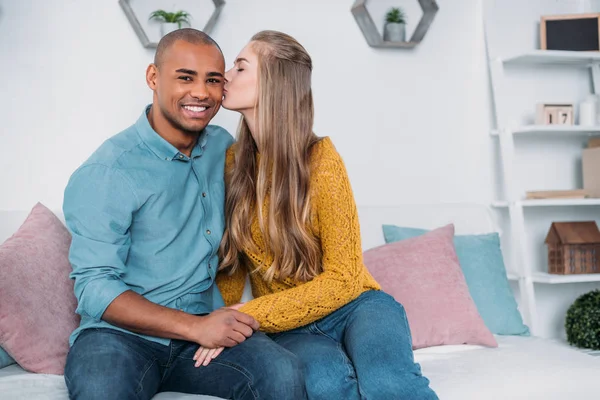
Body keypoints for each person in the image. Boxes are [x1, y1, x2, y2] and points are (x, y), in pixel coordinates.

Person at [62, 28, 306, 400]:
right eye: (185, 77)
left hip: (201, 335)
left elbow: (281, 184)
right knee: (101, 392)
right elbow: (95, 288)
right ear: (153, 78)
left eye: (213, 80)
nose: (200, 92)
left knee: (281, 372)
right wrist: (195, 328)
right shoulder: (108, 172)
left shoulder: (223, 149)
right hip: (119, 339)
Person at [194, 30, 439, 400]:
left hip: (356, 307)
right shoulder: (233, 163)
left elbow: (344, 278)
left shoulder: (321, 160)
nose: (225, 75)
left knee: (387, 383)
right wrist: (226, 323)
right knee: (324, 385)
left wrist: (253, 311)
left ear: (274, 82)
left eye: (240, 67)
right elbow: (234, 263)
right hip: (294, 330)